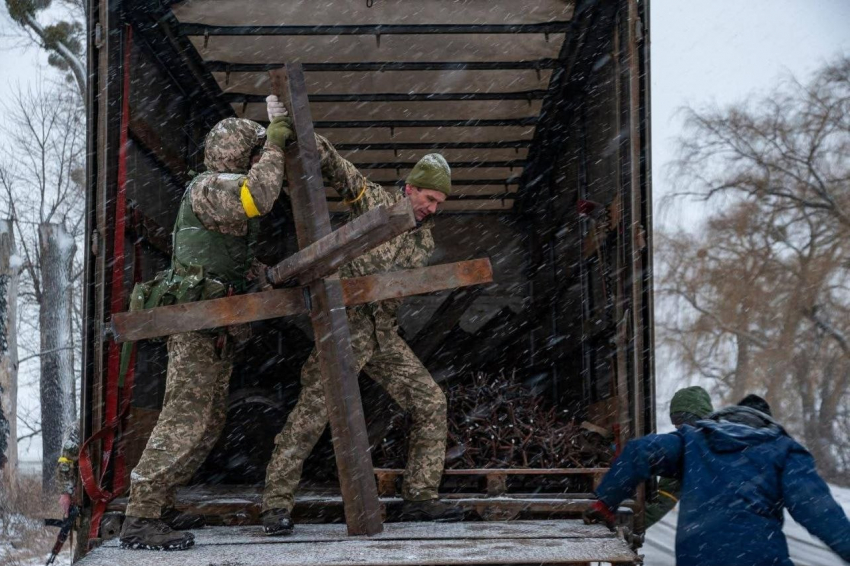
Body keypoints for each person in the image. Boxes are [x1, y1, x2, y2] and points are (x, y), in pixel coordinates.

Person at [261, 95, 458, 535]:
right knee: (310, 417)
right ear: (410, 188)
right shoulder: (374, 201)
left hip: (382, 334)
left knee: (431, 402)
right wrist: (291, 125)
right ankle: (275, 505)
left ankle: (420, 498)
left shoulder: (423, 240)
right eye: (428, 198)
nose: (432, 208)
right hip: (343, 330)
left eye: (439, 203)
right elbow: (332, 162)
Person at [119, 100, 292, 551]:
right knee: (184, 420)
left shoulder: (216, 190)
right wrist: (275, 138)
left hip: (214, 329)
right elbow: (261, 195)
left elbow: (225, 257)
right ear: (238, 154)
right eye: (252, 152)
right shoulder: (215, 187)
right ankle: (140, 516)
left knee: (209, 420)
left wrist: (266, 274)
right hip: (198, 328)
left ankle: (158, 504)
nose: (259, 159)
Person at [584, 396, 850, 566]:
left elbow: (640, 451)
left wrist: (606, 502)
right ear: (766, 422)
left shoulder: (694, 442)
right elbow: (819, 510)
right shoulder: (783, 450)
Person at [644, 386, 713, 528]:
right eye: (676, 426)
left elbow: (664, 499)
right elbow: (665, 496)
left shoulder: (690, 449)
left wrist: (634, 526)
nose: (680, 431)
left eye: (682, 424)